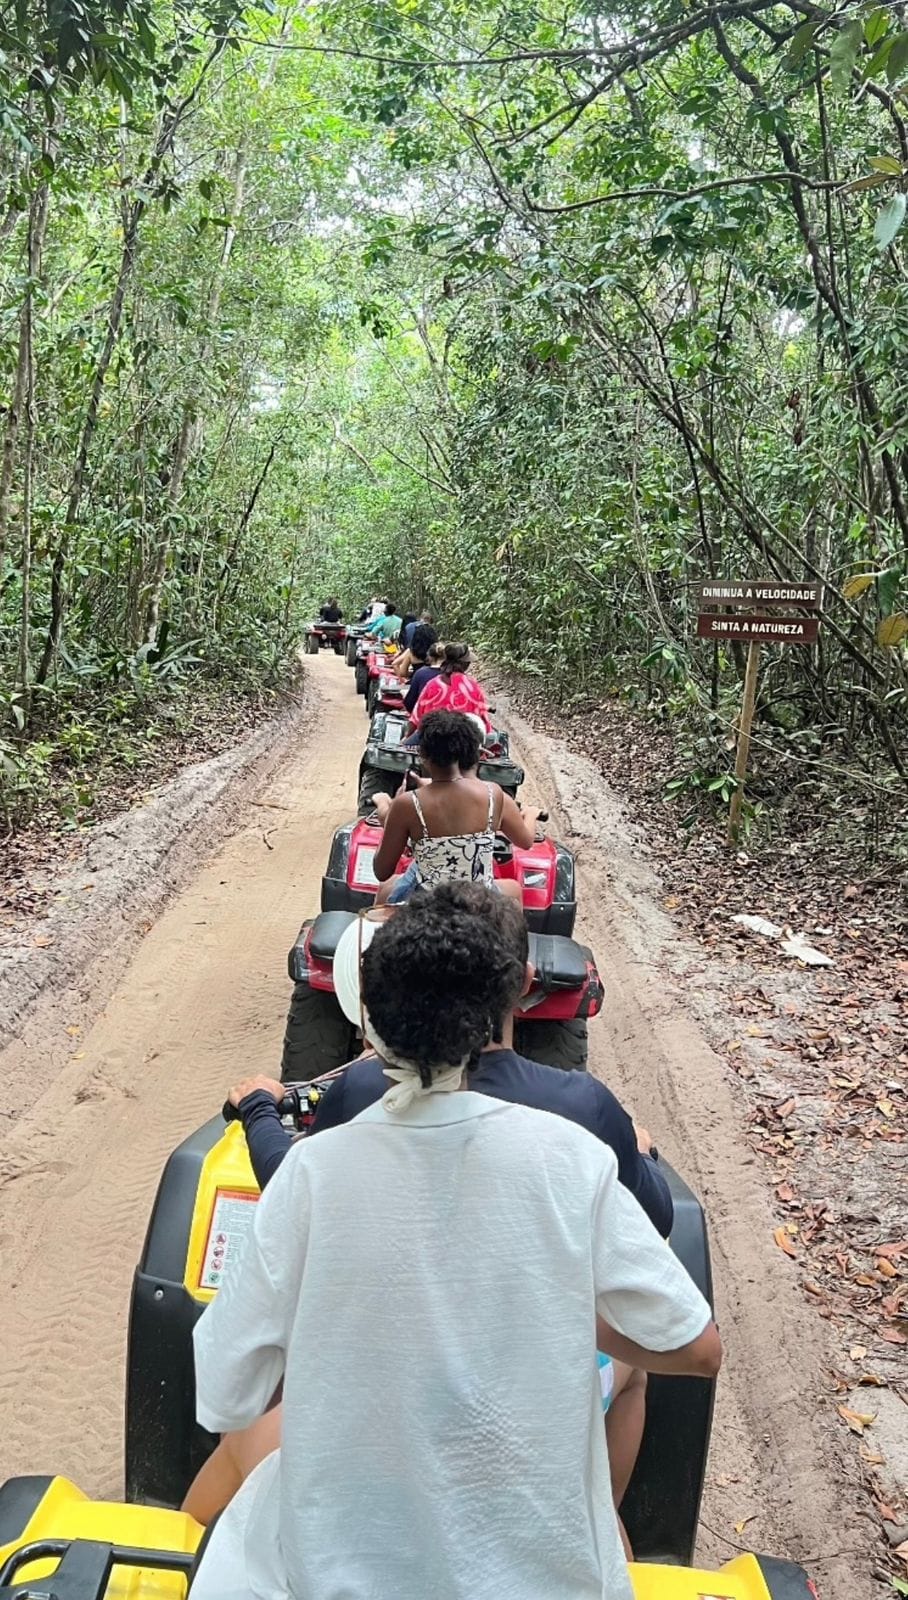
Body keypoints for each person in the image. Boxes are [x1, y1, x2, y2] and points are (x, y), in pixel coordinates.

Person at [190, 886, 720, 1600]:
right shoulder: (571, 1156)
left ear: (370, 1017)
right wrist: (557, 1300)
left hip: (340, 1571)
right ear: (510, 997)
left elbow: (224, 1396)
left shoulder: (314, 1171)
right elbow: (698, 1348)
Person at [370, 711, 537, 905]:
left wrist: (387, 814)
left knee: (387, 890)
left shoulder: (408, 803)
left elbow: (381, 871)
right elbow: (525, 841)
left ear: (422, 753)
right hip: (479, 898)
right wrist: (531, 814)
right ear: (464, 752)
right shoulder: (494, 794)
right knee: (514, 888)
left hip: (427, 901)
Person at [409, 640, 490, 731]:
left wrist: (407, 737)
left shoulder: (433, 684)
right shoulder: (472, 686)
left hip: (432, 737)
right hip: (464, 738)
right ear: (465, 664)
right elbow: (483, 717)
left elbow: (416, 716)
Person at [403, 637, 443, 713]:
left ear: (429, 656)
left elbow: (409, 704)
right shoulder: (453, 675)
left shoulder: (421, 673)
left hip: (425, 716)